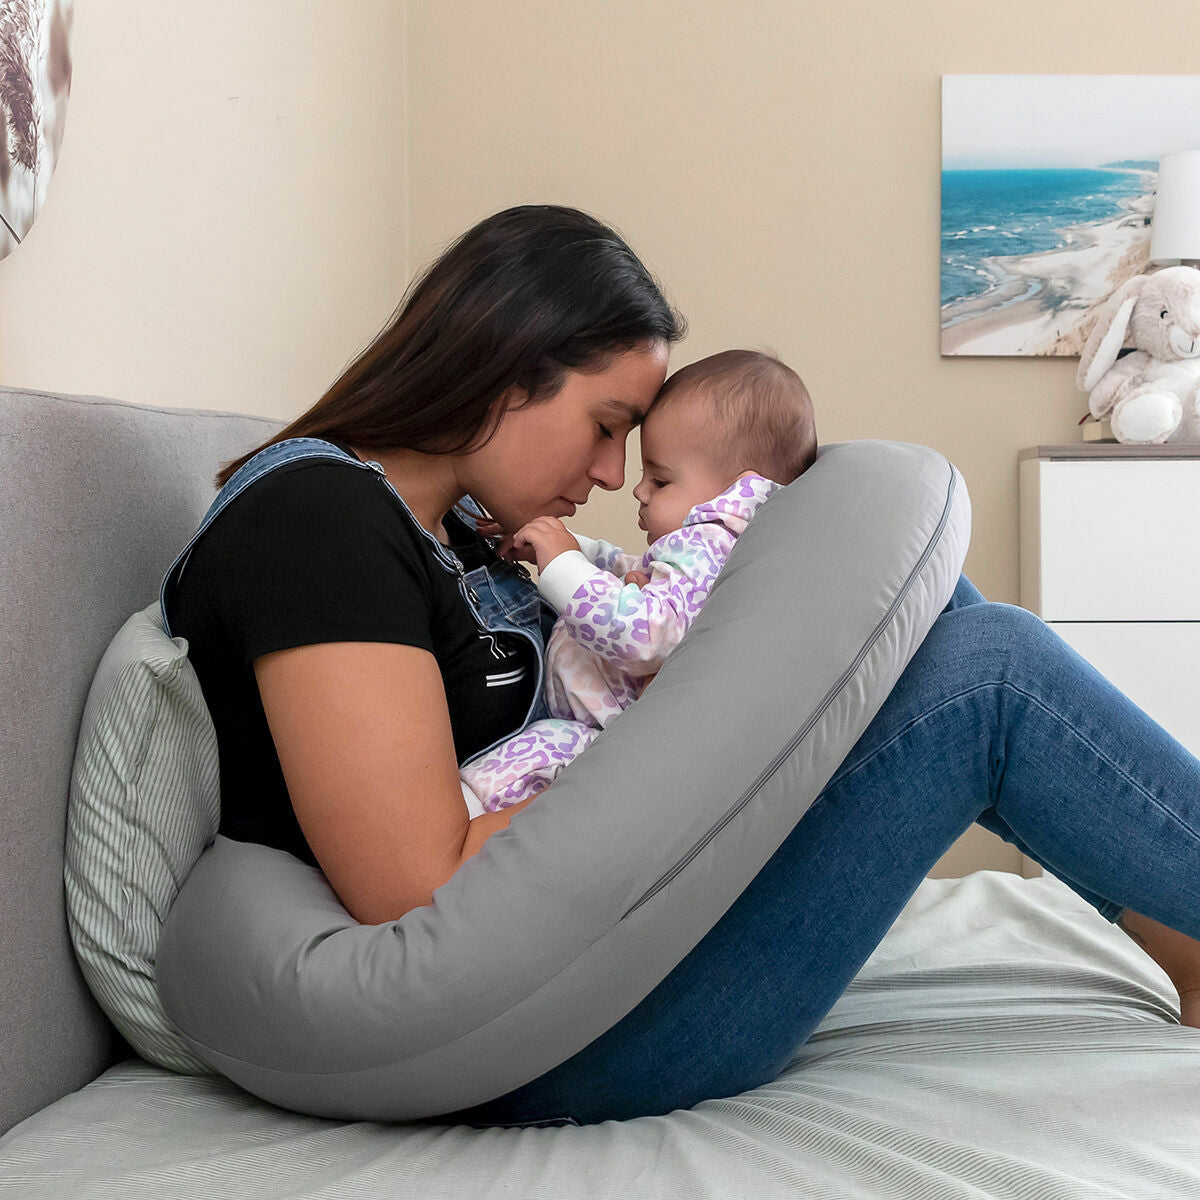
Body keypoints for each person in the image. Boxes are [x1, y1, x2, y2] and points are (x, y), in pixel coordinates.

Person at [163, 203, 1200, 1130]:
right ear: (506, 370)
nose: (613, 474)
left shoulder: (470, 530)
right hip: (556, 1029)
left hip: (613, 950)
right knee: (990, 673)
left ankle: (1184, 940)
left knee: (925, 614)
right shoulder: (317, 523)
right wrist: (703, 750)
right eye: (606, 427)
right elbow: (409, 885)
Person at [458, 349, 817, 812]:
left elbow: (643, 632)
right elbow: (633, 571)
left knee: (539, 750)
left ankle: (453, 822)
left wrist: (564, 563)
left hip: (611, 738)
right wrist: (570, 547)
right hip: (596, 720)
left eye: (661, 480)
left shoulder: (708, 544)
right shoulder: (709, 554)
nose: (638, 489)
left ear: (735, 494)